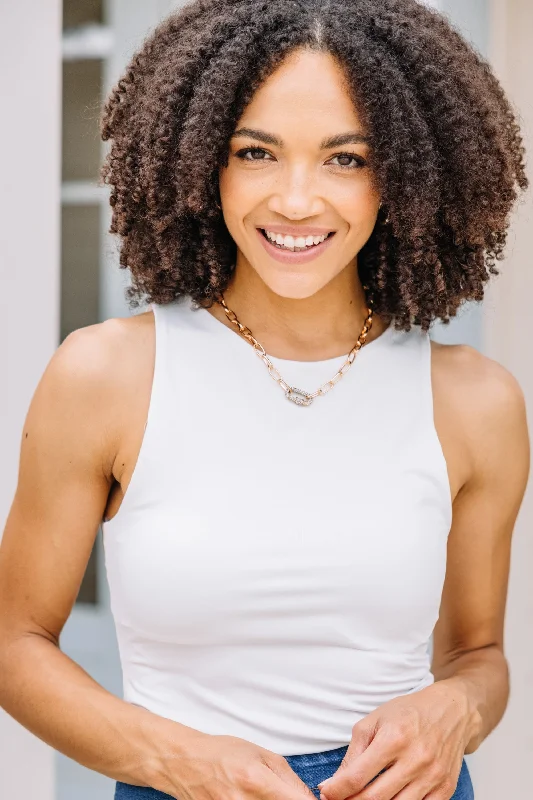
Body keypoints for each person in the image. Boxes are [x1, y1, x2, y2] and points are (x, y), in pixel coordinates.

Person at [0, 1, 530, 799]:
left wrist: (454, 709)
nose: (294, 200)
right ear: (201, 161)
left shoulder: (474, 401)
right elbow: (14, 642)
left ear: (410, 174)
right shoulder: (106, 375)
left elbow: (476, 656)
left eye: (345, 159)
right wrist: (168, 758)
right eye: (256, 152)